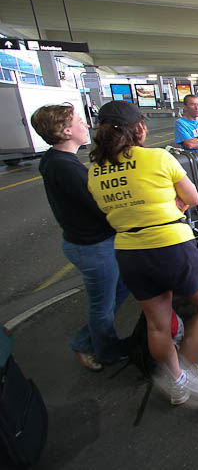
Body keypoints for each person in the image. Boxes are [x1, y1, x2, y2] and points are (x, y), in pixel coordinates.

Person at [87, 101, 198, 405]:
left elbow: (110, 211)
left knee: (157, 324)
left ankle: (176, 379)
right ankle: (188, 370)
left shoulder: (95, 171)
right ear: (139, 129)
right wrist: (174, 206)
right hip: (171, 244)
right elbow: (193, 198)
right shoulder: (158, 157)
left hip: (129, 251)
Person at [30, 104, 130, 372]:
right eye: (78, 121)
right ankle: (104, 351)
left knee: (122, 289)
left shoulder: (54, 159)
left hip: (86, 243)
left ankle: (86, 340)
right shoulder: (66, 168)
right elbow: (100, 208)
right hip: (93, 247)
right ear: (64, 131)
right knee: (102, 306)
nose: (86, 125)